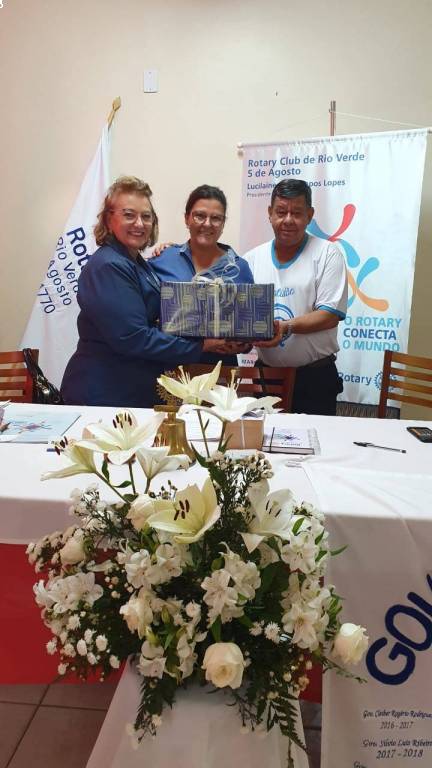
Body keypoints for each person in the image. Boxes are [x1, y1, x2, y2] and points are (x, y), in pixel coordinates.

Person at [61, 176, 242, 408]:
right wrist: (201, 346)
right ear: (108, 218)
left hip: (130, 389)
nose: (139, 224)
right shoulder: (109, 266)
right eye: (129, 215)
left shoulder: (137, 262)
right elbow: (134, 338)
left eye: (146, 216)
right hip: (104, 392)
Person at [243, 179, 347, 416]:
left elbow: (330, 315)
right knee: (264, 439)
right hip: (266, 376)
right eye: (281, 212)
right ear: (270, 213)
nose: (288, 220)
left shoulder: (328, 254)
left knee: (318, 440)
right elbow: (244, 317)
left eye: (297, 213)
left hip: (314, 378)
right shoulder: (251, 260)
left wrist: (285, 327)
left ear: (310, 215)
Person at [149, 184, 261, 365]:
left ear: (223, 224)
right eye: (200, 216)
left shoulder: (239, 268)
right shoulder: (162, 260)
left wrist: (241, 346)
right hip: (169, 370)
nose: (207, 224)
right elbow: (146, 321)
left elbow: (248, 330)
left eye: (216, 218)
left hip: (220, 371)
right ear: (187, 218)